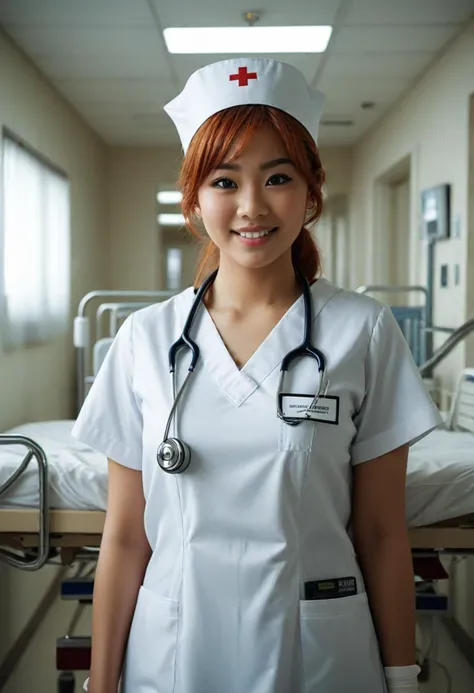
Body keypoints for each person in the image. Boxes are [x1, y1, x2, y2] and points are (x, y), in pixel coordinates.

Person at [72, 58, 443, 693]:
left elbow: (382, 533)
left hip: (320, 652)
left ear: (311, 191)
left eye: (278, 177)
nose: (250, 207)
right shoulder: (144, 338)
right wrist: (100, 685)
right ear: (194, 198)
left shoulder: (364, 331)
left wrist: (402, 678)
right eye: (224, 181)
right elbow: (127, 538)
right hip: (173, 651)